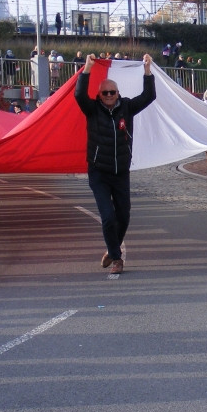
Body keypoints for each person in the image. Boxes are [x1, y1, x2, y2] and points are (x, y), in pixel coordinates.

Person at [75, 52, 156, 275]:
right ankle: (117, 258)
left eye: (112, 92)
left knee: (124, 215)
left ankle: (111, 250)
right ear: (100, 95)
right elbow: (79, 94)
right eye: (105, 93)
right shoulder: (92, 110)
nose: (109, 95)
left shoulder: (127, 107)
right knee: (108, 216)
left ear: (118, 93)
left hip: (121, 171)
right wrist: (88, 68)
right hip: (99, 171)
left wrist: (147, 71)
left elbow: (148, 96)